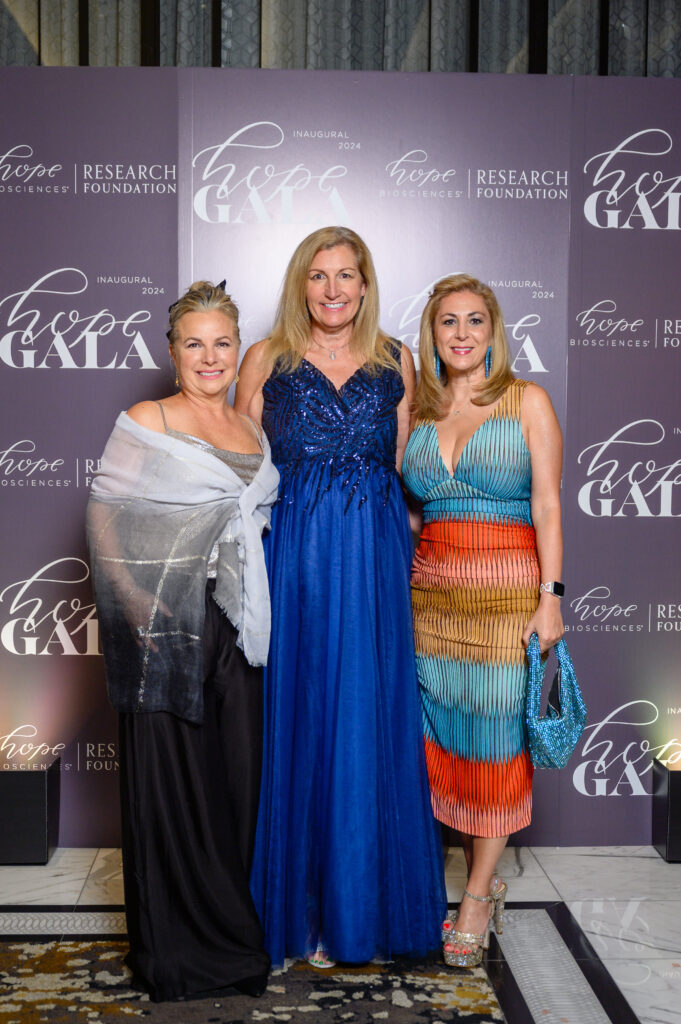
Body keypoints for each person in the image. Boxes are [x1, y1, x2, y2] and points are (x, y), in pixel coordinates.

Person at [235, 226, 446, 968]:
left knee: (365, 716)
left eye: (345, 276)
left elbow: (400, 467)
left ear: (364, 284)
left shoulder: (397, 361)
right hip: (292, 556)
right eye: (318, 276)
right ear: (301, 285)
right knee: (302, 714)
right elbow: (240, 473)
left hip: (372, 556)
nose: (332, 290)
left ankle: (362, 910)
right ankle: (299, 912)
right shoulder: (266, 360)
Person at [87, 282, 279, 1001]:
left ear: (237, 351)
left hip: (237, 628)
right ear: (171, 353)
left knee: (233, 781)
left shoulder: (251, 431)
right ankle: (175, 953)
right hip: (165, 625)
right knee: (171, 783)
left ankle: (232, 937)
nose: (209, 356)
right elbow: (105, 517)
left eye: (222, 342)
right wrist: (140, 608)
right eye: (194, 343)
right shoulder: (149, 418)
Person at [402, 274, 564, 968]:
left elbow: (549, 505)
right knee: (448, 741)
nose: (461, 333)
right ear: (432, 335)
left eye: (474, 321)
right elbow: (408, 512)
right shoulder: (417, 412)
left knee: (497, 740)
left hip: (505, 597)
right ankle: (479, 876)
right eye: (447, 322)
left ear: (493, 331)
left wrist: (550, 595)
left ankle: (473, 897)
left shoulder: (526, 402)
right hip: (429, 602)